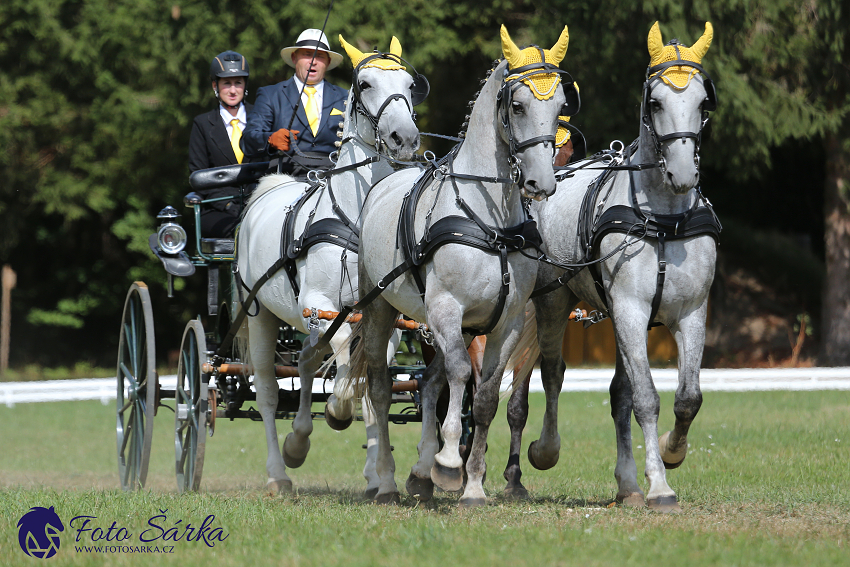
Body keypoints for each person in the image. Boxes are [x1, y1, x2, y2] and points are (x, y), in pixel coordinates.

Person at [242, 29, 347, 169]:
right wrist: (270, 139)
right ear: (294, 58)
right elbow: (247, 140)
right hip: (284, 177)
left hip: (334, 175)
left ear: (328, 62)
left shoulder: (345, 96)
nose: (313, 62)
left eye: (320, 56)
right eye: (307, 55)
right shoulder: (270, 94)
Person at [188, 50, 255, 237]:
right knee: (243, 233)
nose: (233, 90)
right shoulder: (202, 124)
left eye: (238, 83)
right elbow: (198, 175)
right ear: (214, 86)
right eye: (226, 83)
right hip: (219, 209)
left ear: (245, 85)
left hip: (259, 202)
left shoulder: (261, 118)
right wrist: (228, 205)